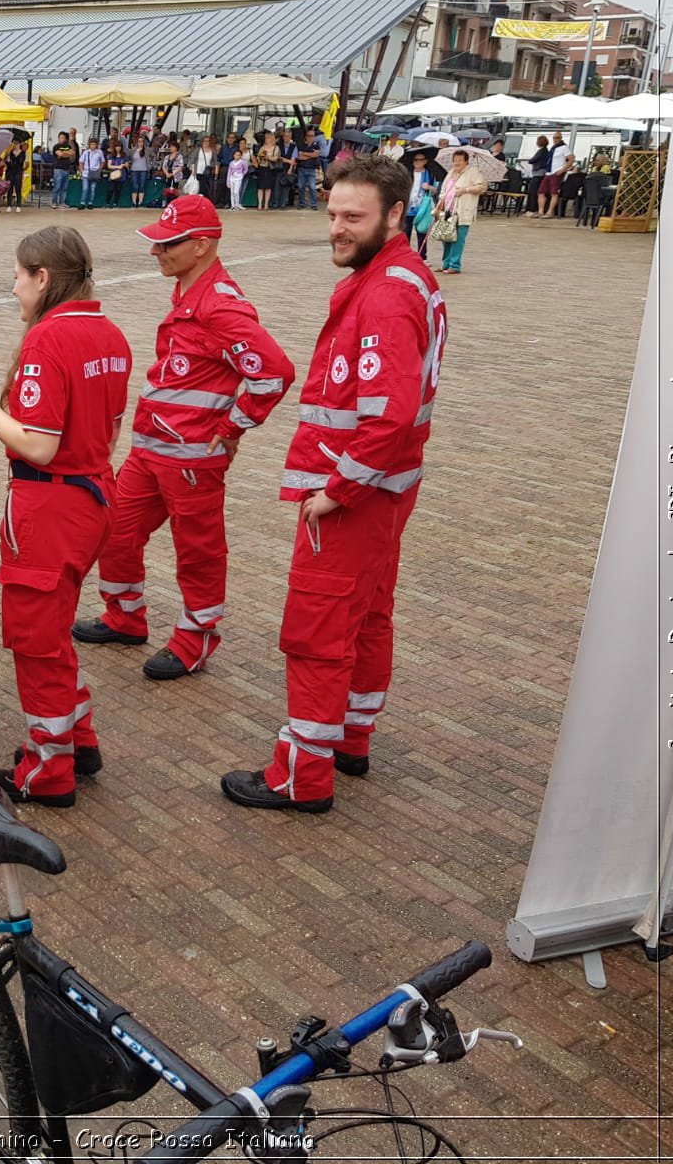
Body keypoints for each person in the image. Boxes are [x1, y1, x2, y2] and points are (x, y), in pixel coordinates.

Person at [220, 154, 444, 814]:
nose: (337, 230)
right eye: (332, 215)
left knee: (318, 631)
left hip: (354, 498)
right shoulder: (400, 278)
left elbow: (389, 414)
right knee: (367, 618)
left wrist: (336, 491)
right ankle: (350, 737)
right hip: (388, 491)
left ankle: (302, 774)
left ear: (396, 215)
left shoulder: (386, 293)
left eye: (354, 217)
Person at [73, 196, 294, 679]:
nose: (157, 251)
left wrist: (232, 426)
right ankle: (125, 616)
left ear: (201, 246)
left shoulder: (220, 307)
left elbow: (274, 373)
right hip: (152, 450)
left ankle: (196, 638)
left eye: (168, 243)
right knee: (115, 529)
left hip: (191, 460)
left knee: (198, 552)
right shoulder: (190, 293)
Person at [0, 228, 130, 808]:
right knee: (53, 632)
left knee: (36, 642)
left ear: (43, 278)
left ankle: (48, 767)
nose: (13, 287)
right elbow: (104, 428)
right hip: (91, 497)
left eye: (17, 276)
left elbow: (39, 444)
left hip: (50, 506)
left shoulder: (48, 341)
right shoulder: (108, 332)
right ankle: (77, 739)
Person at [434, 149, 486, 275]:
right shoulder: (451, 172)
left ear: (466, 161)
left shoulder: (473, 172)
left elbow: (482, 187)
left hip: (463, 211)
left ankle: (454, 265)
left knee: (458, 239)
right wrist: (441, 200)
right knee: (446, 236)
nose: (456, 163)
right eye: (455, 160)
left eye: (459, 160)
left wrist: (465, 189)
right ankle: (445, 263)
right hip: (448, 210)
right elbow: (444, 189)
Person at [405, 149, 436, 258]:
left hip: (422, 207)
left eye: (420, 159)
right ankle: (405, 254)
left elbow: (435, 190)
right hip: (408, 208)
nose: (417, 162)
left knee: (422, 231)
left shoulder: (430, 174)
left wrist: (429, 187)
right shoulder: (407, 173)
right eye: (415, 160)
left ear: (425, 161)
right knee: (406, 232)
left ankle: (422, 255)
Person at [535, 132, 568, 219]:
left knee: (554, 192)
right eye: (554, 138)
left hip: (556, 172)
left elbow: (571, 159)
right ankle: (541, 211)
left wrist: (562, 170)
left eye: (557, 137)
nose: (555, 139)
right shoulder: (553, 148)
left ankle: (550, 211)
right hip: (549, 172)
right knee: (541, 192)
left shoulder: (564, 148)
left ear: (561, 138)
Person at [295, 127, 324, 210]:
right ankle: (302, 203)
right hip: (302, 168)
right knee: (301, 187)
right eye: (309, 135)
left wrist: (304, 154)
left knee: (312, 187)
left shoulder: (317, 145)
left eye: (312, 135)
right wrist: (311, 154)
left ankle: (313, 204)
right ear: (306, 136)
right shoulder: (301, 145)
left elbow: (316, 155)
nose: (310, 137)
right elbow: (299, 157)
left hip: (311, 169)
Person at [524, 134, 551, 214]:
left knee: (533, 191)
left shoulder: (541, 151)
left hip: (538, 173)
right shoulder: (546, 151)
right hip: (543, 172)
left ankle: (532, 208)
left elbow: (532, 160)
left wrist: (530, 160)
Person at [50, 130, 76, 209]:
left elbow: (72, 153)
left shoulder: (68, 146)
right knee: (57, 186)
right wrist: (67, 154)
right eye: (60, 137)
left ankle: (62, 202)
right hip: (58, 169)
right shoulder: (56, 146)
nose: (61, 139)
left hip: (66, 169)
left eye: (63, 137)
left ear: (65, 139)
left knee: (64, 187)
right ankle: (54, 202)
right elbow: (59, 153)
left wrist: (64, 154)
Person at [77, 137, 104, 210]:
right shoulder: (86, 152)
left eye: (94, 144)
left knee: (92, 189)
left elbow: (102, 161)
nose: (93, 146)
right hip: (86, 173)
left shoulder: (99, 152)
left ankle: (90, 203)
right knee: (85, 188)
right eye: (91, 144)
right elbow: (81, 161)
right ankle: (82, 203)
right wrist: (82, 170)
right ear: (89, 145)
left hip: (95, 172)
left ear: (96, 145)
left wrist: (99, 169)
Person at [128, 133, 151, 208]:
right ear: (137, 142)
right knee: (134, 185)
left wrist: (151, 165)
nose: (140, 143)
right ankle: (134, 202)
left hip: (143, 170)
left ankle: (140, 202)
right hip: (134, 170)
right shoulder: (133, 150)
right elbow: (128, 159)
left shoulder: (147, 150)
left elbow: (154, 156)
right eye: (139, 141)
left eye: (142, 141)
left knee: (142, 186)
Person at [4, 140, 26, 212]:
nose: (16, 145)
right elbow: (6, 162)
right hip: (10, 172)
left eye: (17, 143)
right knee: (9, 189)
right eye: (14, 143)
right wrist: (7, 154)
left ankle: (18, 205)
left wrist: (23, 168)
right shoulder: (9, 152)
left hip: (18, 172)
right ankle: (9, 205)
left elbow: (25, 163)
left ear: (20, 144)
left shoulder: (23, 153)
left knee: (18, 189)